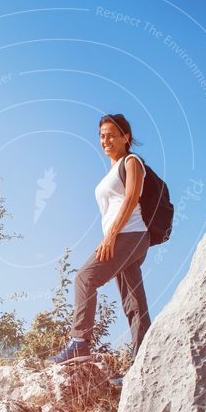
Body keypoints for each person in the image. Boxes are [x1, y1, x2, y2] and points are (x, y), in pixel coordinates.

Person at [45, 113, 151, 368]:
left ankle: (80, 342)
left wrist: (111, 237)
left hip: (130, 234)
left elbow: (131, 199)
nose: (105, 140)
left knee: (84, 278)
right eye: (102, 136)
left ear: (126, 137)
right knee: (134, 304)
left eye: (111, 135)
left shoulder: (132, 161)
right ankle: (144, 363)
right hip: (127, 237)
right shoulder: (113, 169)